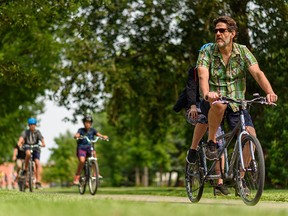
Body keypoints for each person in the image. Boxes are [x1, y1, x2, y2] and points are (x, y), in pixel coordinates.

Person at [197, 16, 278, 187]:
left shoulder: (242, 51)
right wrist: (207, 94)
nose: (218, 34)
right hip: (214, 101)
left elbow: (257, 73)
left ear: (232, 33)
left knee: (251, 137)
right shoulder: (207, 51)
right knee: (219, 104)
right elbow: (203, 75)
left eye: (222, 30)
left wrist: (269, 92)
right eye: (216, 31)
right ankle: (212, 142)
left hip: (237, 103)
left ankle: (240, 180)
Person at [73, 115, 109, 185]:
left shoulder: (93, 130)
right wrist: (76, 136)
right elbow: (77, 134)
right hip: (81, 148)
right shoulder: (81, 130)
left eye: (89, 122)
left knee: (94, 155)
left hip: (90, 148)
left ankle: (96, 173)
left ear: (91, 123)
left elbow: (99, 134)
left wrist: (103, 136)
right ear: (84, 123)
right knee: (82, 161)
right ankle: (77, 176)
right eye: (86, 122)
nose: (88, 124)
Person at [17, 117, 46, 189]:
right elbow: (21, 139)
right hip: (27, 147)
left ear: (36, 125)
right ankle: (25, 169)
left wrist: (43, 144)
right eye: (31, 124)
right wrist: (19, 143)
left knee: (37, 162)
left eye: (34, 124)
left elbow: (42, 139)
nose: (32, 126)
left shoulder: (38, 132)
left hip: (36, 148)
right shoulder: (25, 132)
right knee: (28, 154)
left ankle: (38, 182)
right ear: (28, 125)